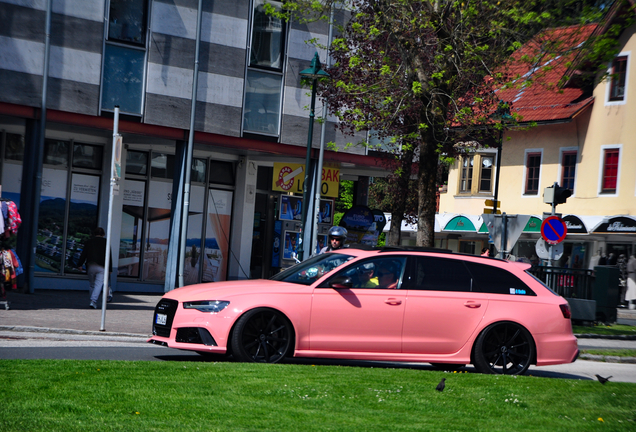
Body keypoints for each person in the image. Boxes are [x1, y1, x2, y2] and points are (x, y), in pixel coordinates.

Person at [76, 227, 113, 309]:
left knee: (92, 284)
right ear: (103, 234)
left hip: (90, 265)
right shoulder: (106, 242)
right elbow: (109, 256)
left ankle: (92, 301)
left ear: (94, 234)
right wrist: (110, 269)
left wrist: (80, 264)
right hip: (102, 266)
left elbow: (84, 254)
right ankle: (93, 301)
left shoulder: (89, 242)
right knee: (98, 284)